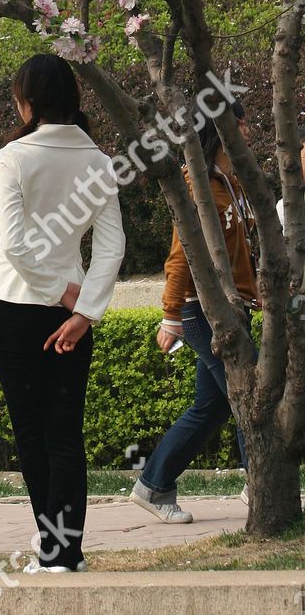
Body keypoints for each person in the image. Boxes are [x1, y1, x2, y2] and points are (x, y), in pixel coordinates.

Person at [0, 55, 126, 573]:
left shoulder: (13, 156)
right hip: (71, 317)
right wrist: (84, 308)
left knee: (31, 433)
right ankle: (67, 552)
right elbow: (112, 247)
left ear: (29, 101)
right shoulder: (100, 162)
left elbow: (14, 246)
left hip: (14, 308)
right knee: (65, 432)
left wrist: (63, 296)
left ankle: (53, 550)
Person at [130, 103, 257, 523]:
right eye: (240, 122)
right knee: (250, 395)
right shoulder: (197, 183)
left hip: (230, 308)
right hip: (202, 312)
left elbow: (240, 252)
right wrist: (171, 316)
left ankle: (154, 484)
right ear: (221, 130)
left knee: (215, 406)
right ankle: (261, 484)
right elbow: (180, 256)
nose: (248, 128)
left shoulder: (231, 181)